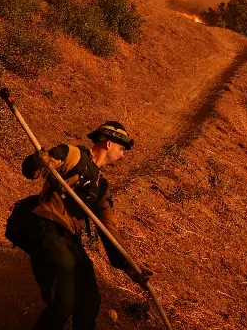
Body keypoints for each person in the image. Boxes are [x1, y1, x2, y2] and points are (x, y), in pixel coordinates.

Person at [19, 120, 150, 330]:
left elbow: (109, 229)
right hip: (48, 228)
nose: (123, 154)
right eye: (121, 148)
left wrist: (129, 266)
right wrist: (37, 161)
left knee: (90, 301)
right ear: (108, 144)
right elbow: (31, 171)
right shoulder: (71, 155)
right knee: (64, 302)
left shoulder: (101, 187)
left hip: (70, 240)